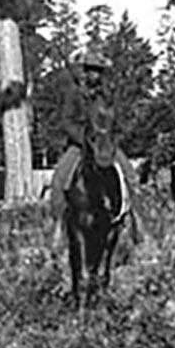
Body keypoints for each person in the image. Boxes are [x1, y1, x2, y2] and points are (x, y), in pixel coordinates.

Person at [49, 50, 136, 230]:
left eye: (97, 71)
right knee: (59, 180)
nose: (94, 74)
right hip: (80, 145)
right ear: (85, 72)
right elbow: (66, 121)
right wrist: (83, 138)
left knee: (130, 175)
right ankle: (58, 226)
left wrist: (111, 139)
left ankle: (134, 221)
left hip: (106, 145)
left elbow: (117, 121)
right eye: (90, 70)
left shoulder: (107, 96)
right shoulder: (74, 94)